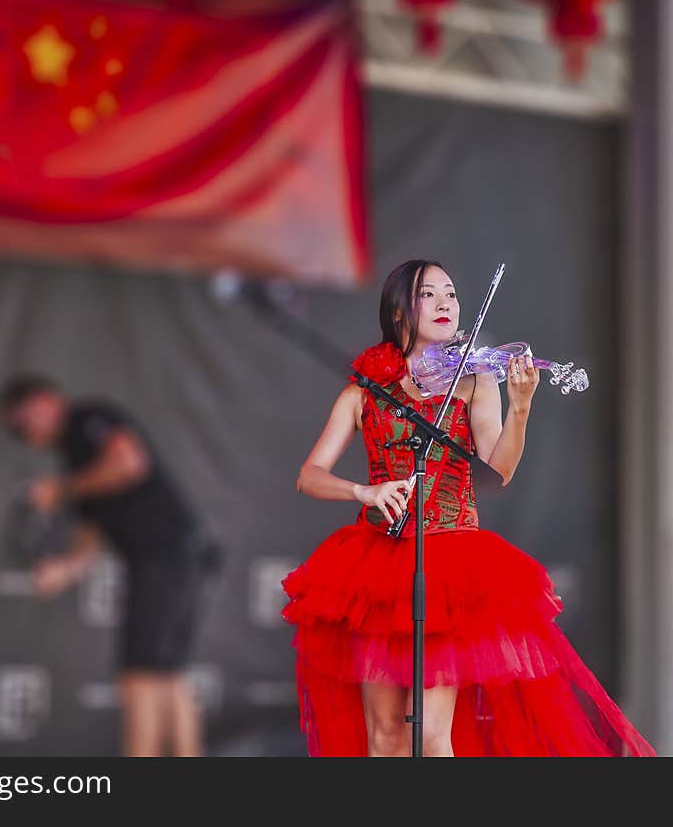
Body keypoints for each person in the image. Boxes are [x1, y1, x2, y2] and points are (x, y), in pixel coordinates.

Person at [281, 260, 655, 757]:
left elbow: (497, 471)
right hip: (378, 567)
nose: (444, 303)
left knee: (434, 735)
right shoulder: (364, 392)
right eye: (427, 294)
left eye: (451, 294)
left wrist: (520, 409)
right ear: (399, 313)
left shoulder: (477, 383)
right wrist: (363, 492)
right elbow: (309, 475)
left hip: (449, 564)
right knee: (385, 735)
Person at [0, 375, 218, 757]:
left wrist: (59, 490)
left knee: (140, 677)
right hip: (171, 559)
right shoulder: (73, 459)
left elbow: (128, 462)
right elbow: (90, 532)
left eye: (21, 426)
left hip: (166, 557)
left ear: (42, 402)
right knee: (167, 676)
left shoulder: (87, 419)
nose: (25, 437)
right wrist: (64, 569)